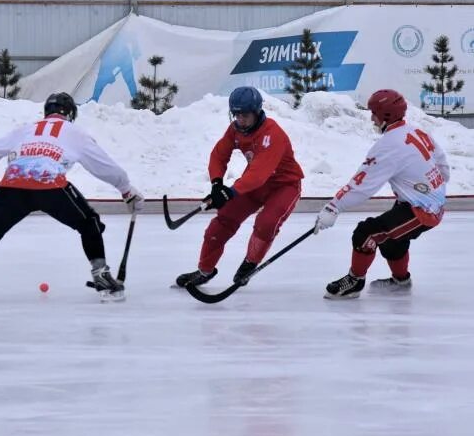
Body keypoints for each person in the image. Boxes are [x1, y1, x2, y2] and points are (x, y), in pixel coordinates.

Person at [0, 92, 144, 303]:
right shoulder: (75, 133)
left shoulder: (26, 129)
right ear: (70, 114)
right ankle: (102, 277)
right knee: (89, 222)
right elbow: (102, 165)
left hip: (11, 187)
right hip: (50, 186)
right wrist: (126, 189)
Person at [314, 89, 450, 299]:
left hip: (423, 211)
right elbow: (441, 163)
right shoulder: (415, 130)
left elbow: (362, 184)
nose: (372, 119)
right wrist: (435, 187)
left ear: (385, 115)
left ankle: (354, 282)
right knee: (392, 238)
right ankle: (401, 281)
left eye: (374, 113)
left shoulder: (388, 145)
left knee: (366, 233)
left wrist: (333, 207)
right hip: (426, 203)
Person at [175, 86, 304, 289]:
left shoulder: (272, 133)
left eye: (244, 115)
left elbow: (260, 173)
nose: (240, 120)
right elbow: (219, 154)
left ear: (257, 112)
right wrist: (217, 184)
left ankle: (250, 262)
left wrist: (230, 192)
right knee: (221, 221)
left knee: (266, 223)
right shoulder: (235, 129)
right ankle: (204, 270)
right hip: (254, 186)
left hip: (284, 186)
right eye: (236, 115)